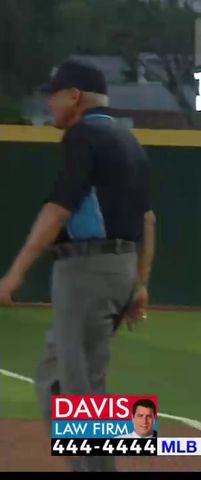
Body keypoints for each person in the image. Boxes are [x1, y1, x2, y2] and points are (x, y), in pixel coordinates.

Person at [0, 59, 156, 472]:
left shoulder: (83, 135)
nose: (49, 103)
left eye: (53, 95)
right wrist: (139, 282)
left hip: (89, 270)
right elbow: (148, 220)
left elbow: (57, 209)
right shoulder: (128, 140)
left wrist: (15, 272)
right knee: (66, 379)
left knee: (75, 385)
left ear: (74, 95)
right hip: (118, 268)